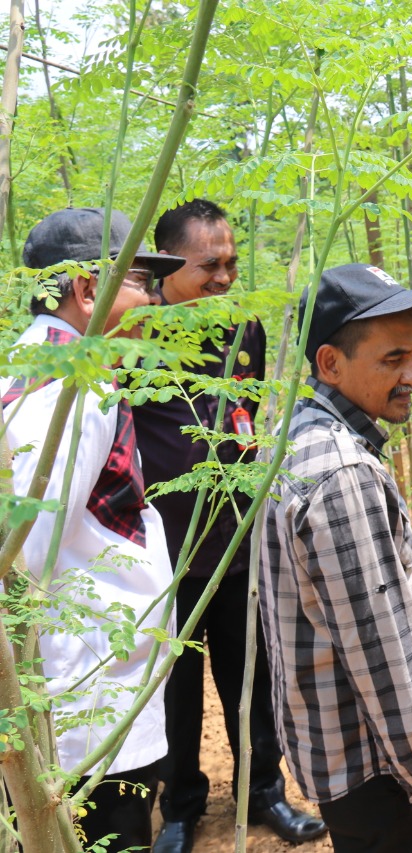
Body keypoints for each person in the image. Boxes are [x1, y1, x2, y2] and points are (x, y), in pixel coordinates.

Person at [136, 200, 325, 853]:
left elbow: (244, 419)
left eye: (231, 263)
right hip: (168, 551)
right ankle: (181, 806)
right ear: (167, 262)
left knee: (253, 676)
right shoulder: (136, 331)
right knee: (176, 688)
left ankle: (264, 789)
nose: (223, 276)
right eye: (209, 265)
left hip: (240, 542)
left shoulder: (244, 326)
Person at [260, 263, 412, 852]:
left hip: (337, 753)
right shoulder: (342, 475)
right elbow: (381, 654)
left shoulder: (300, 436)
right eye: (392, 359)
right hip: (374, 765)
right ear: (330, 363)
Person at [4, 207, 183, 852]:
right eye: (138, 280)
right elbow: (30, 550)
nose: (153, 298)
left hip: (76, 678)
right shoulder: (70, 385)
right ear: (87, 290)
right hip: (85, 689)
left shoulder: (33, 362)